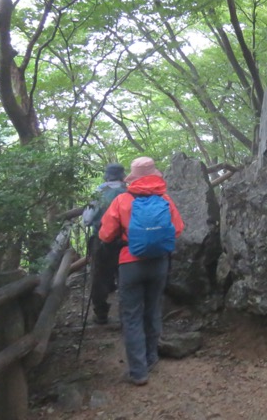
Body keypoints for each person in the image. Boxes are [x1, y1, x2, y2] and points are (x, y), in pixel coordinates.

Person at [99, 157, 184, 386]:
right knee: (153, 309)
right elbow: (177, 229)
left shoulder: (122, 200)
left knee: (132, 315)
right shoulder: (165, 199)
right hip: (158, 263)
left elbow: (106, 234)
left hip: (130, 263)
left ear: (133, 177)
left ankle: (138, 371)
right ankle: (151, 357)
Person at [82, 163, 128, 325]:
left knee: (99, 277)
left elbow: (87, 219)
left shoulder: (99, 193)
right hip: (124, 241)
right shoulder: (128, 193)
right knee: (124, 276)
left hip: (101, 240)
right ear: (122, 176)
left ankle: (101, 313)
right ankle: (126, 315)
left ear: (107, 176)